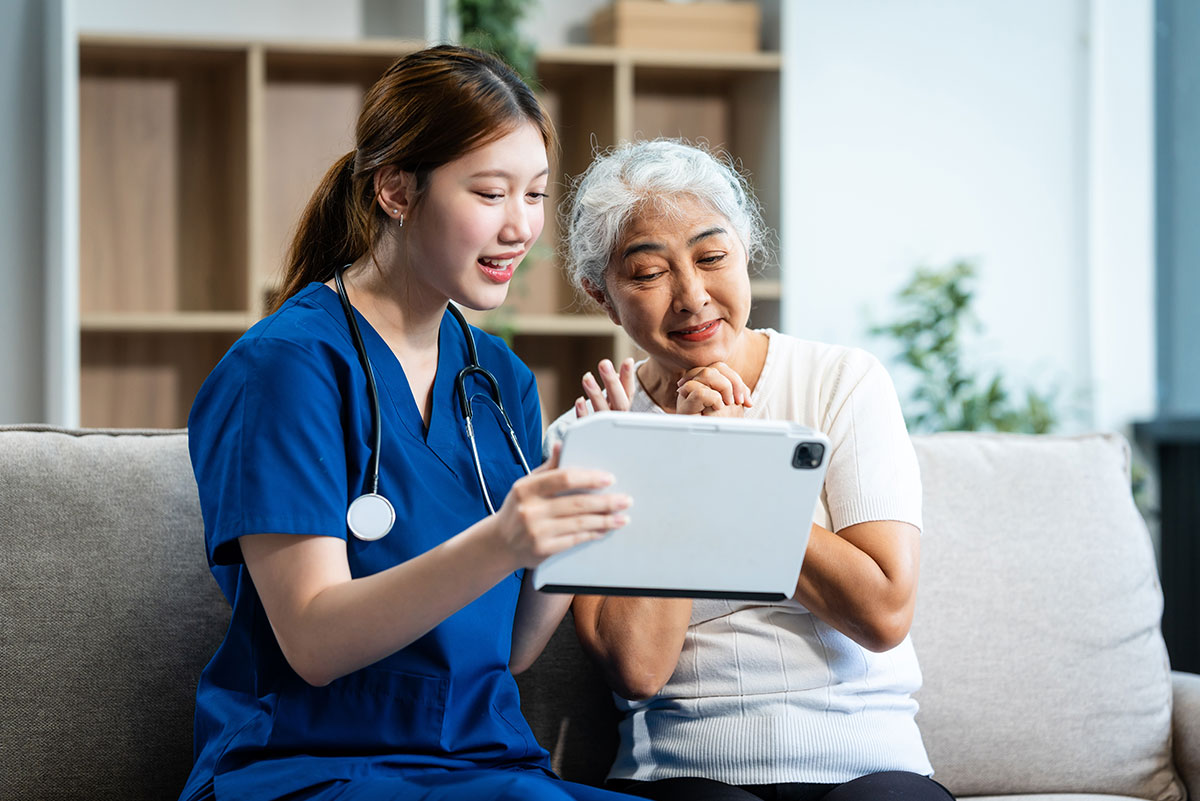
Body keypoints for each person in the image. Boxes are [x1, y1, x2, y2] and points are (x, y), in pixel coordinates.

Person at [180, 45, 640, 801]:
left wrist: (582, 505)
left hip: (485, 763)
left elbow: (516, 648)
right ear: (396, 189)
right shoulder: (285, 369)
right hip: (311, 766)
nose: (521, 226)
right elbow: (315, 640)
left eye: (535, 194)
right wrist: (503, 538)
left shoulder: (500, 380)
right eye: (490, 193)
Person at [546, 139, 954, 801]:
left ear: (745, 250)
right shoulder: (587, 434)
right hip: (687, 770)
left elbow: (882, 611)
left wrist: (745, 466)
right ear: (602, 294)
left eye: (712, 257)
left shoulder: (842, 382)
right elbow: (638, 669)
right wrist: (686, 462)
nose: (692, 296)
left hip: (870, 761)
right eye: (649, 273)